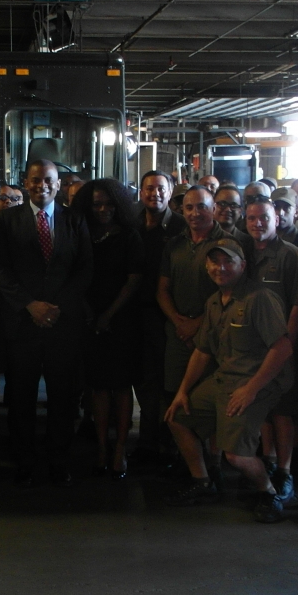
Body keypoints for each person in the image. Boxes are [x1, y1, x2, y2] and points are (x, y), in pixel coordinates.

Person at [165, 239, 295, 523]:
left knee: (236, 457)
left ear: (243, 266)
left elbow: (282, 347)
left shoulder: (259, 297)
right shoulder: (214, 301)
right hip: (224, 379)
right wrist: (183, 392)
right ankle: (202, 481)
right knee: (177, 417)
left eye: (228, 262)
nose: (219, 268)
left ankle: (268, 493)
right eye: (214, 262)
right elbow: (202, 351)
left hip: (256, 383)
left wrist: (251, 389)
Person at [0, 159, 93, 486]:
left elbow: (84, 269)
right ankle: (23, 459)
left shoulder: (74, 220)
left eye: (48, 180)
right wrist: (29, 305)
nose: (42, 186)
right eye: (35, 180)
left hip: (63, 325)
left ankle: (58, 460)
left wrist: (57, 307)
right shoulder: (8, 220)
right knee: (20, 396)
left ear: (59, 183)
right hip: (22, 324)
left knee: (62, 397)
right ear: (25, 182)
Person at [157, 186, 231, 500]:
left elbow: (226, 292)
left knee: (212, 406)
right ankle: (196, 472)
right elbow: (162, 289)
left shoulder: (227, 244)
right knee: (176, 402)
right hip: (178, 334)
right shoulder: (174, 244)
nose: (194, 213)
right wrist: (179, 323)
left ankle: (214, 468)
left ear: (213, 208)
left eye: (201, 207)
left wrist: (197, 325)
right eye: (188, 208)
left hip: (214, 338)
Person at [72, 179, 144, 477]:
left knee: (121, 386)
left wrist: (108, 315)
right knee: (98, 386)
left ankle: (119, 450)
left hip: (122, 319)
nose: (103, 209)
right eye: (97, 204)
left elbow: (134, 279)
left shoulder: (129, 236)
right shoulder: (82, 233)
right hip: (89, 317)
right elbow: (75, 275)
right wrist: (91, 313)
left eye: (109, 204)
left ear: (119, 205)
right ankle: (102, 447)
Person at [244, 197, 298, 500]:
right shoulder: (243, 254)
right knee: (264, 409)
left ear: (277, 219)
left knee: (282, 411)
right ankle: (268, 461)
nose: (258, 223)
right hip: (253, 348)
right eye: (252, 218)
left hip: (280, 346)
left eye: (264, 218)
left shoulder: (290, 256)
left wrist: (288, 343)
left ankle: (285, 470)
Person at [135, 170, 184, 459]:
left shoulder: (179, 227)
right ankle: (147, 441)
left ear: (170, 191)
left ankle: (171, 443)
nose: (155, 193)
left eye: (161, 188)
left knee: (168, 381)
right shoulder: (132, 225)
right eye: (149, 188)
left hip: (170, 315)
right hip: (139, 314)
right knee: (144, 380)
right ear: (141, 192)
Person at [269, 187, 298, 254]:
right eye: (276, 207)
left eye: (286, 208)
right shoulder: (264, 238)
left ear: (296, 212)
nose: (280, 213)